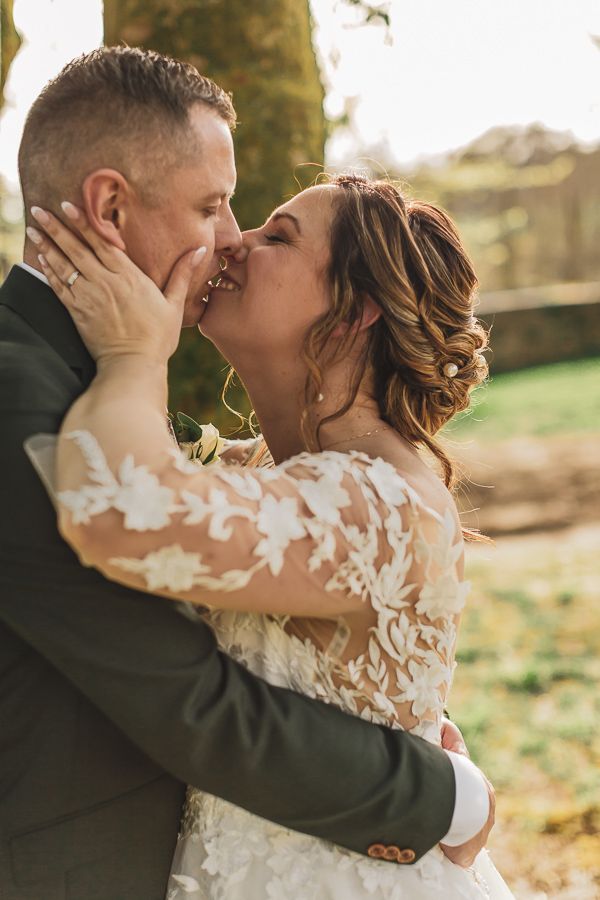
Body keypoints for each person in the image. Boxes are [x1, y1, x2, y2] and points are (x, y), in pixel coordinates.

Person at [0, 46, 493, 900]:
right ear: (110, 203)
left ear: (356, 311)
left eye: (272, 234)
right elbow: (196, 700)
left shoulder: (370, 497)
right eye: (218, 207)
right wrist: (442, 795)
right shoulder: (27, 393)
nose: (231, 242)